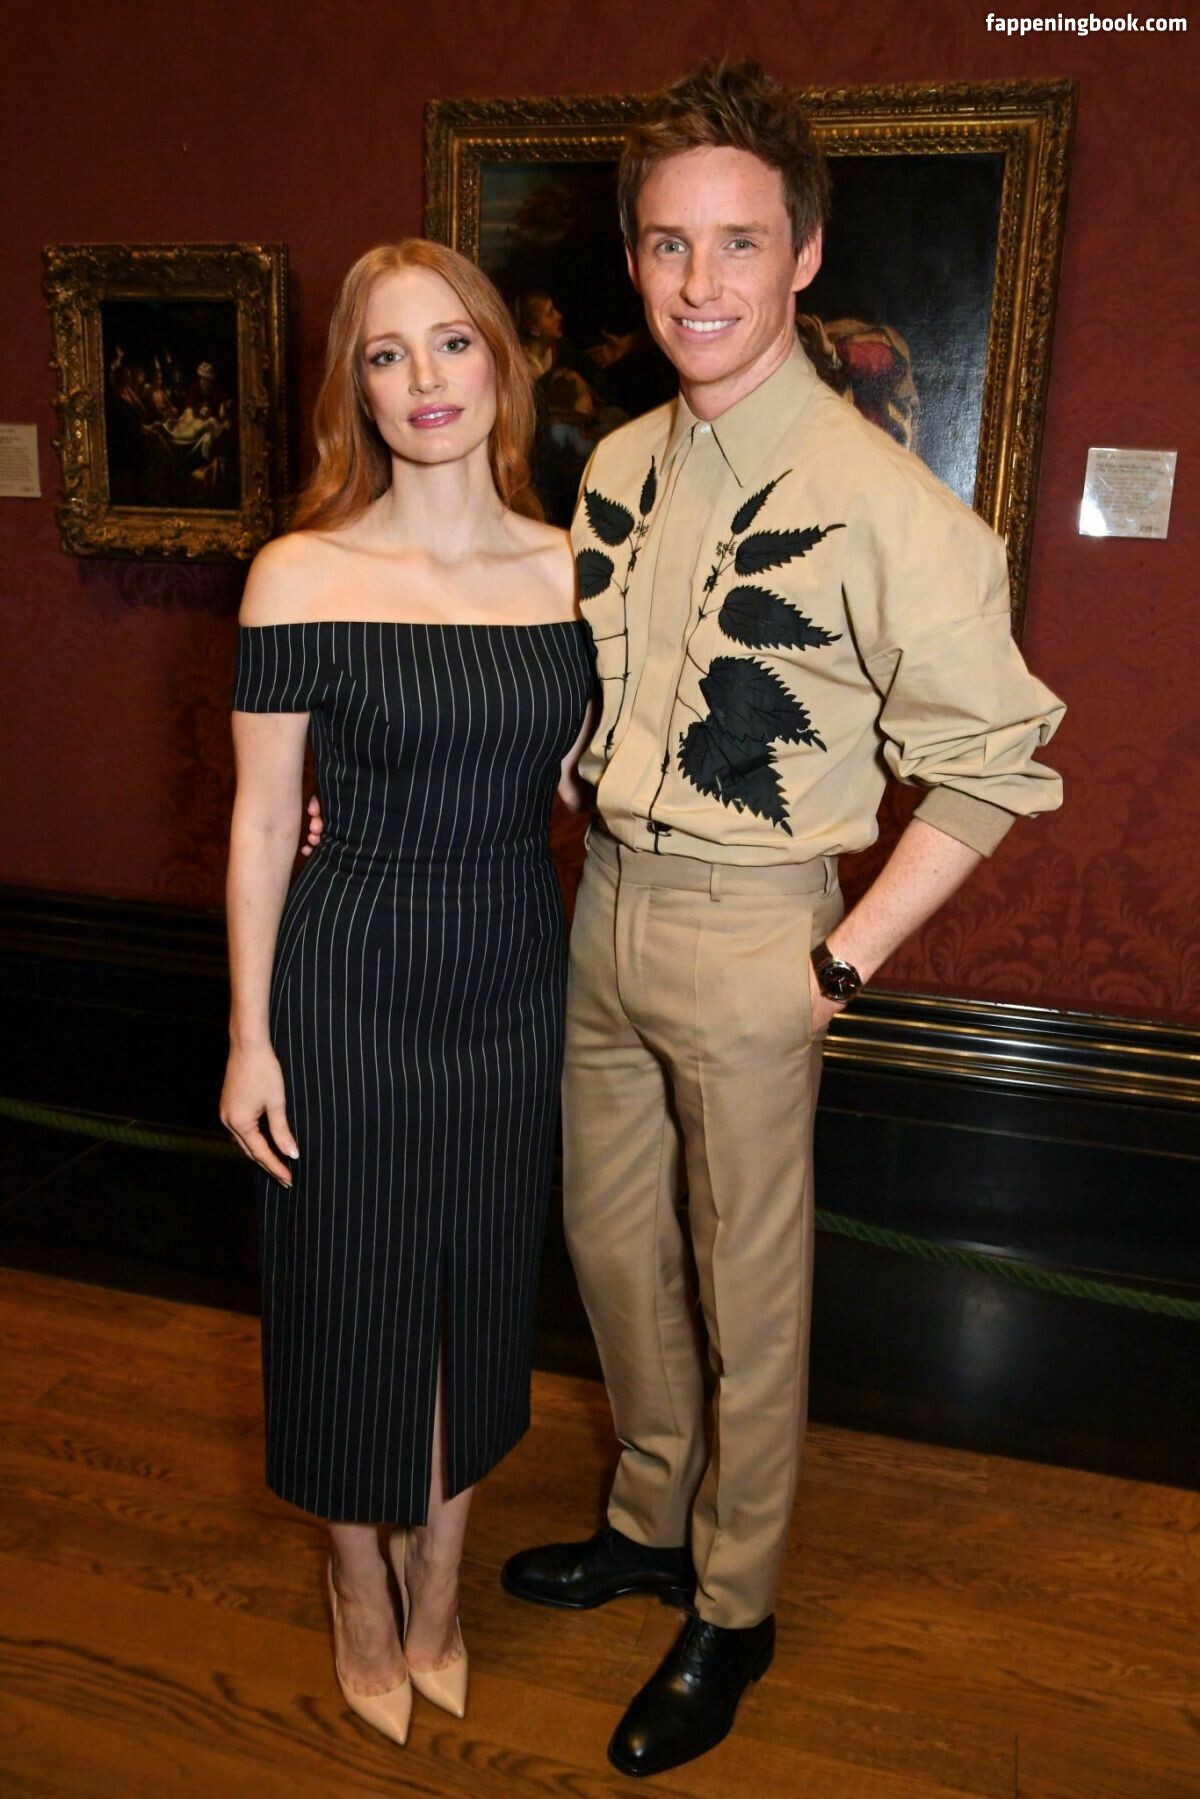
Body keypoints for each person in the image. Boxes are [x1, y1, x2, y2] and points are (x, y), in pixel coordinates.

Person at [495, 59, 1065, 1779]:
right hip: (603, 907)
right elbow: (581, 692)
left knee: (750, 1290)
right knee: (613, 1253)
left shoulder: (895, 508)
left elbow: (995, 766)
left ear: (805, 254)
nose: (700, 283)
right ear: (632, 254)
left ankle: (734, 1607)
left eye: (739, 243)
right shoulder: (617, 465)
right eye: (668, 244)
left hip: (760, 931)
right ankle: (649, 1523)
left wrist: (839, 963)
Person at [220, 238, 593, 1750]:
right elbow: (263, 821)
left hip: (514, 964)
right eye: (387, 353)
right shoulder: (300, 572)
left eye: (452, 343)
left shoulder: (573, 568)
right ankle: (359, 1577)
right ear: (355, 390)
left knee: (477, 1290)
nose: (425, 379)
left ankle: (443, 1567)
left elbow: (581, 780)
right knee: (350, 1288)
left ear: (501, 362)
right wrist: (249, 1036)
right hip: (351, 974)